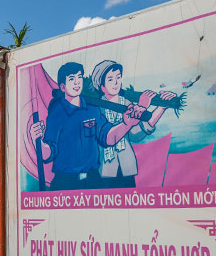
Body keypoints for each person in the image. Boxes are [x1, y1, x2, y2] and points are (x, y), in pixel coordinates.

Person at [29, 62, 145, 191]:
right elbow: (48, 154)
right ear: (63, 87)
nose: (77, 82)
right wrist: (37, 141)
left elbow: (107, 138)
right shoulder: (57, 113)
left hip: (93, 180)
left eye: (79, 77)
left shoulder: (92, 109)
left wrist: (127, 124)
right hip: (66, 182)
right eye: (72, 79)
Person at [90, 60, 175, 188]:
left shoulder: (127, 104)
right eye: (110, 79)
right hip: (104, 168)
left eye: (118, 78)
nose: (116, 82)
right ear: (101, 86)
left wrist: (161, 108)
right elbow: (107, 138)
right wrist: (140, 107)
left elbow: (136, 134)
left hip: (126, 166)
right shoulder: (96, 108)